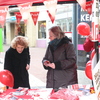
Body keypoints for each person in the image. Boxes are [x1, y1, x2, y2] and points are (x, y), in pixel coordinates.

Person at [42, 26, 78, 90]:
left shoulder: (68, 45)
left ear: (57, 35)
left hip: (65, 79)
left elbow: (72, 61)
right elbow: (46, 57)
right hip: (52, 79)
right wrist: (45, 62)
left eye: (50, 36)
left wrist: (56, 65)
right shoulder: (50, 45)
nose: (49, 38)